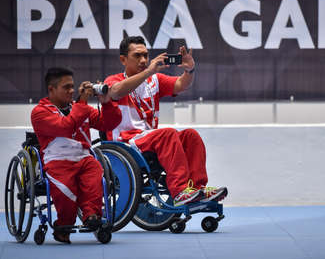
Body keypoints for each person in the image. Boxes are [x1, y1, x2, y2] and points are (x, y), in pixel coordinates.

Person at [104, 36, 227, 207]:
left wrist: (189, 70)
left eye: (145, 55)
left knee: (190, 135)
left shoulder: (154, 80)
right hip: (126, 142)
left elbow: (180, 85)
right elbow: (115, 92)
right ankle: (179, 191)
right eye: (137, 56)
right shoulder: (114, 80)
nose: (143, 60)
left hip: (150, 139)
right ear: (123, 59)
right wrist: (148, 71)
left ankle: (197, 188)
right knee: (167, 134)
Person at [31, 67, 122, 243]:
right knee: (67, 195)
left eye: (73, 86)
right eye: (66, 87)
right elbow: (66, 127)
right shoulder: (39, 112)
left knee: (95, 178)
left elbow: (110, 123)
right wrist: (82, 102)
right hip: (57, 160)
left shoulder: (80, 108)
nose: (72, 91)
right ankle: (63, 226)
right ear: (51, 89)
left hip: (84, 157)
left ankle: (92, 216)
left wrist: (106, 102)